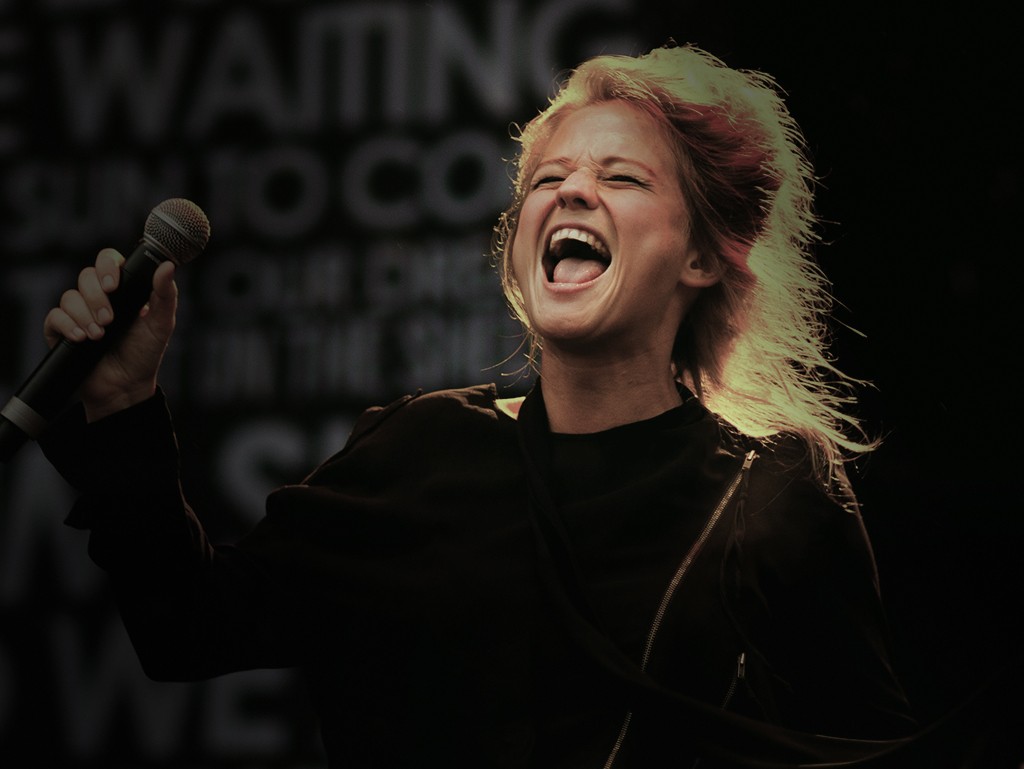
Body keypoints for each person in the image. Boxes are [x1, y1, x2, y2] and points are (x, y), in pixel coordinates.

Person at [39, 44, 920, 767]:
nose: (572, 191)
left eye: (622, 177)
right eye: (548, 178)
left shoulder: (772, 495)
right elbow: (189, 627)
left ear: (700, 257)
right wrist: (122, 404)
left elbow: (867, 749)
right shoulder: (416, 450)